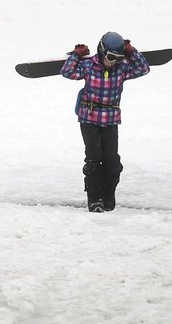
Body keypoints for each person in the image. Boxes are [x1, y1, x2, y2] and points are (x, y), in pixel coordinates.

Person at [61, 31, 148, 213]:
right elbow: (67, 72)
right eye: (110, 57)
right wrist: (76, 55)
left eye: (118, 57)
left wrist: (131, 52)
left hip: (110, 119)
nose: (113, 61)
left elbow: (143, 69)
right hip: (89, 118)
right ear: (101, 52)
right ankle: (94, 199)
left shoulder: (122, 68)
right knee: (94, 160)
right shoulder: (88, 66)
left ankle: (109, 194)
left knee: (112, 161)